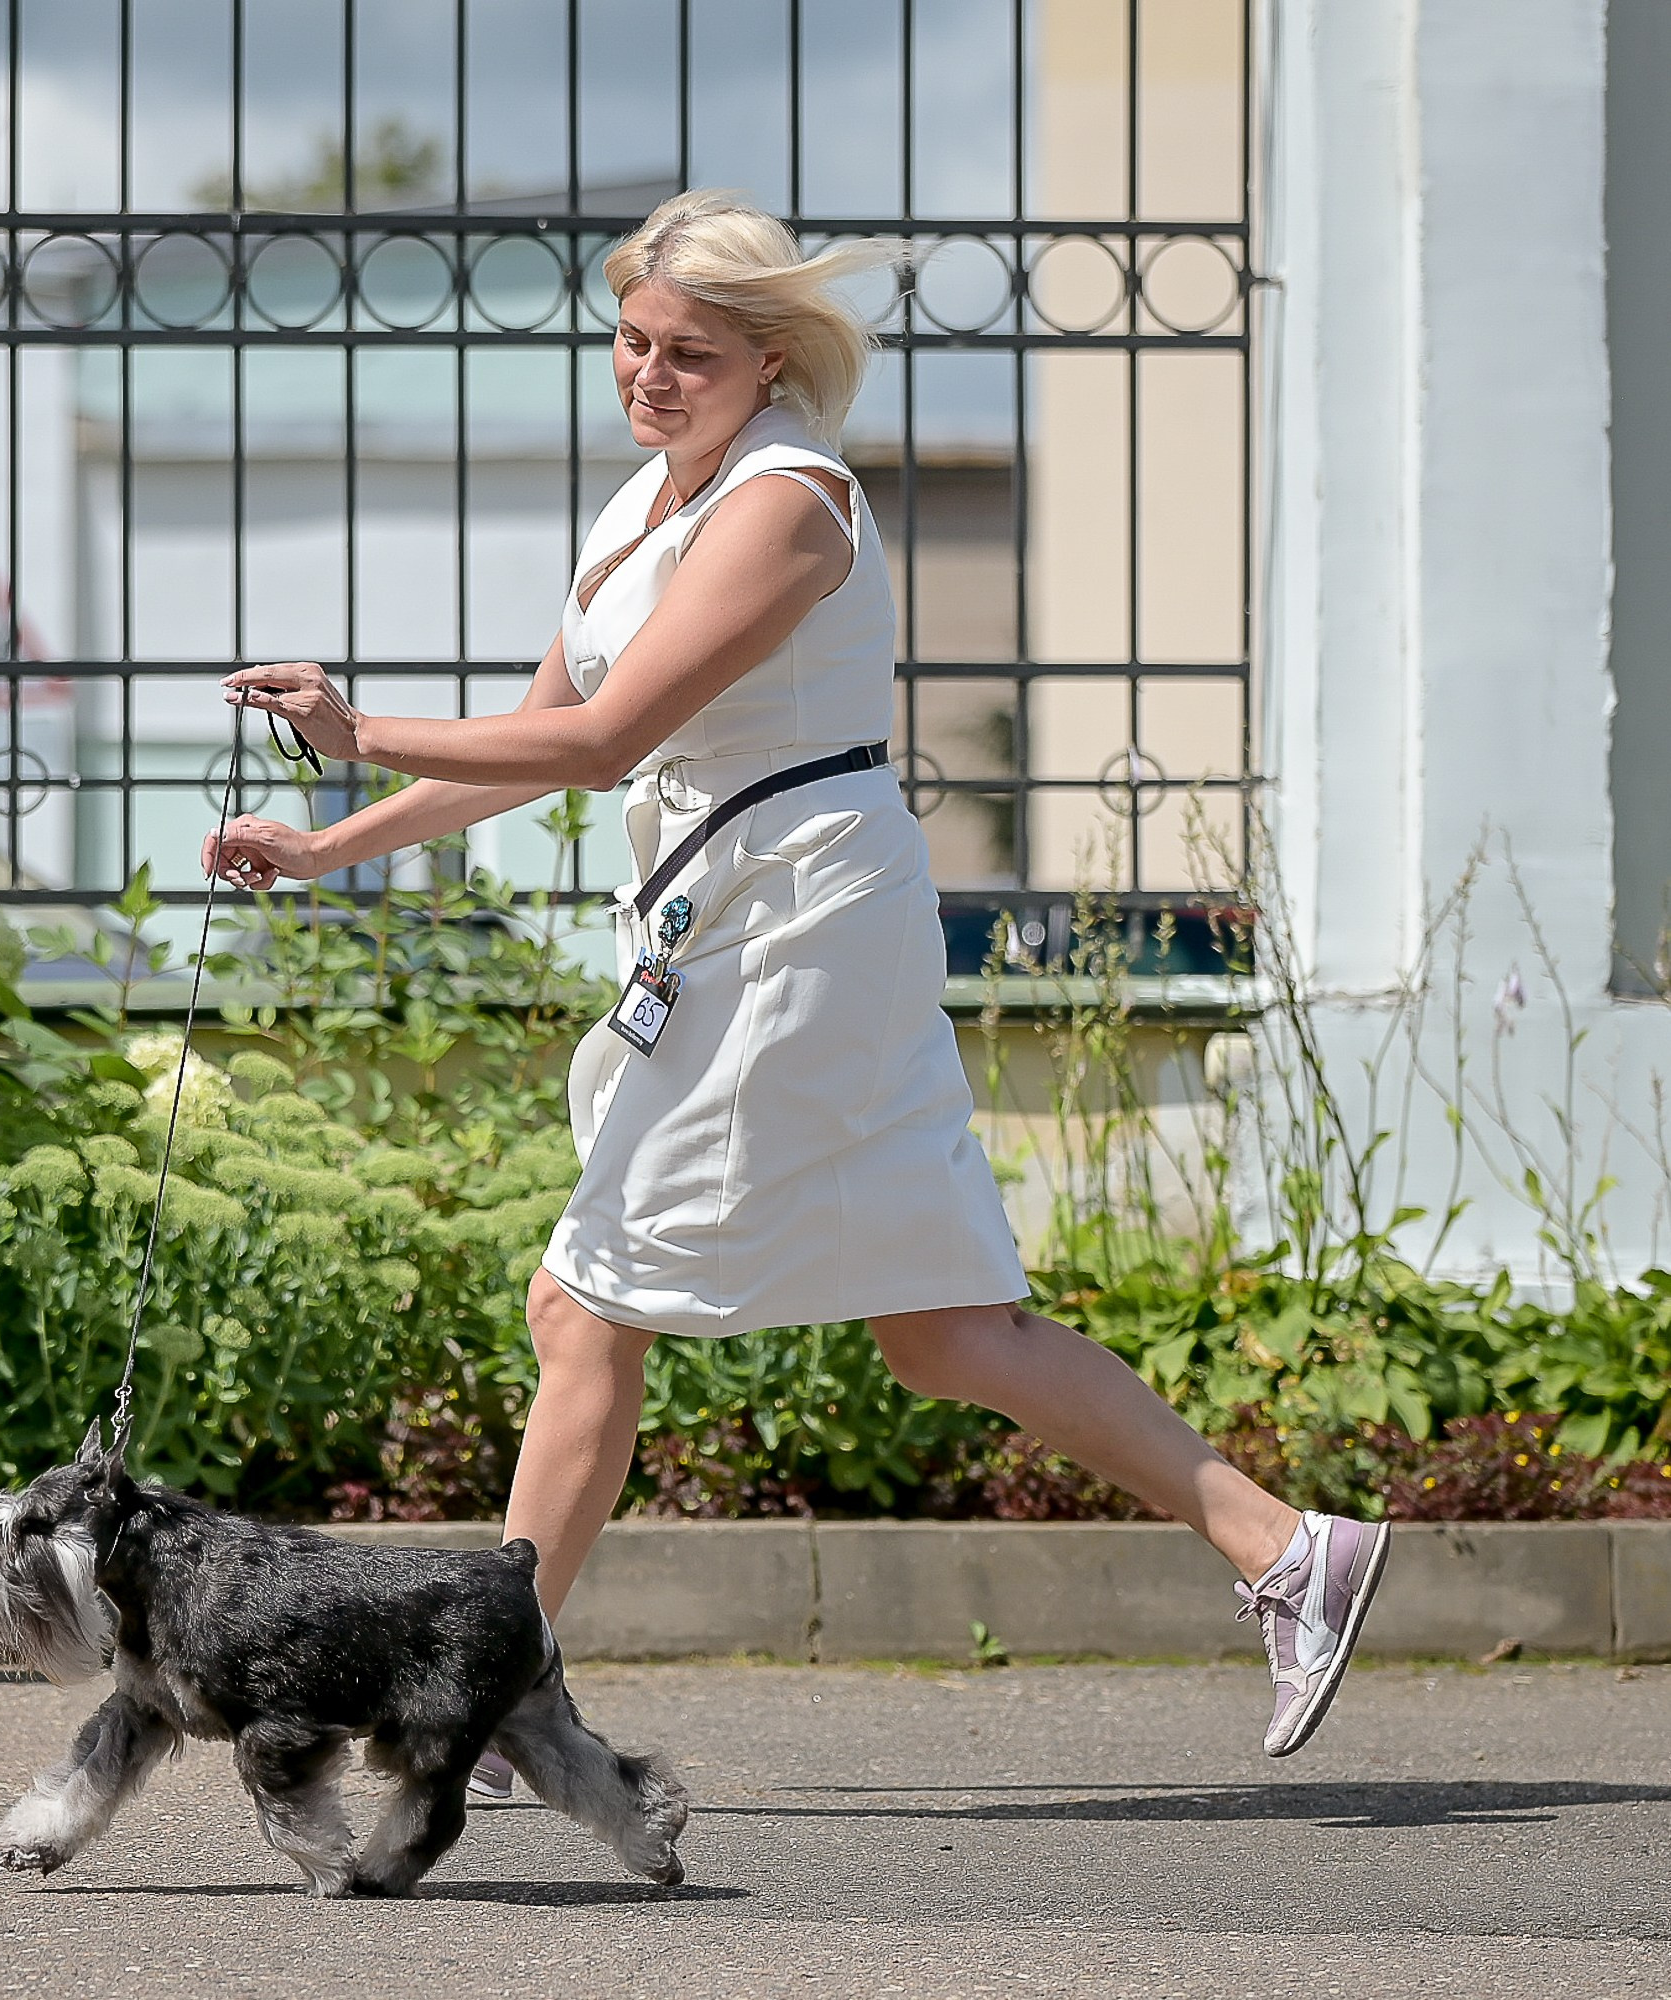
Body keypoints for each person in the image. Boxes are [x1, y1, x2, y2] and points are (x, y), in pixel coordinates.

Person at [202, 192, 1388, 1779]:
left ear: (774, 360)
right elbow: (539, 734)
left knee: (584, 1298)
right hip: (740, 917)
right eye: (632, 338)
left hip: (795, 925)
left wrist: (359, 733)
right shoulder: (640, 511)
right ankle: (1288, 1550)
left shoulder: (789, 504)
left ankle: (477, 1689)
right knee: (943, 1327)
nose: (650, 373)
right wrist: (328, 844)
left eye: (690, 352)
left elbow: (601, 745)